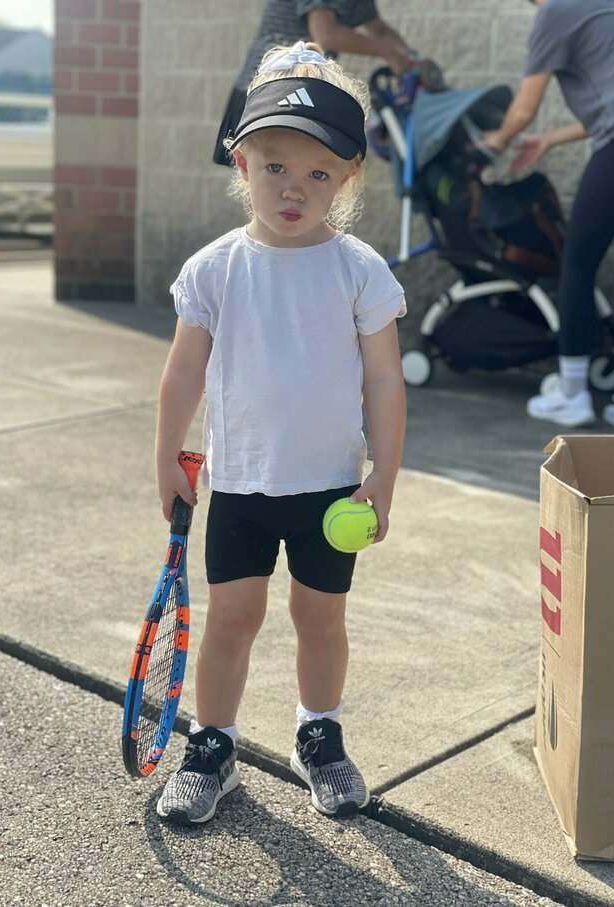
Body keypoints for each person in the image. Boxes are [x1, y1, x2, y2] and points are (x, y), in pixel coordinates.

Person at [155, 41, 407, 824]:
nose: (294, 188)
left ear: (349, 177)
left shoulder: (359, 270)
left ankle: (318, 736)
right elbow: (184, 371)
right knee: (231, 619)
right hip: (239, 484)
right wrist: (165, 455)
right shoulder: (214, 269)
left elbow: (384, 380)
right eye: (274, 167)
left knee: (320, 619)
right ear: (241, 162)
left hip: (330, 487)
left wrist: (385, 472)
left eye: (318, 174)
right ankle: (213, 745)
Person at [483, 0, 614, 430]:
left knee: (578, 262)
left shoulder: (556, 12)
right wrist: (551, 139)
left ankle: (572, 394)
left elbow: (522, 110)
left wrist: (492, 146)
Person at [213, 0, 414, 165]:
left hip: (302, 90)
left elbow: (379, 30)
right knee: (267, 180)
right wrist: (390, 53)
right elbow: (326, 35)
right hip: (268, 93)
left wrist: (414, 61)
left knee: (294, 178)